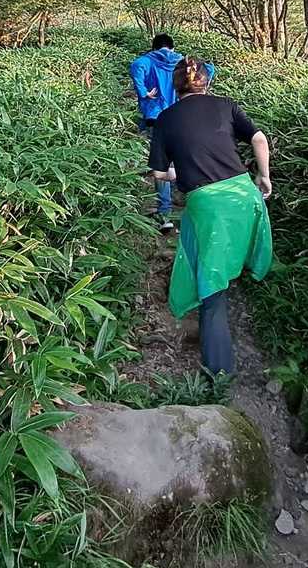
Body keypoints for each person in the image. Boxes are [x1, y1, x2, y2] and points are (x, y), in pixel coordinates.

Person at [148, 56, 272, 377]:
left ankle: (219, 372)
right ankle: (245, 281)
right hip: (245, 196)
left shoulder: (165, 119)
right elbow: (259, 138)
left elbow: (159, 173)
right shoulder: (225, 105)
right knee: (235, 252)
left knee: (211, 286)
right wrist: (264, 176)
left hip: (208, 205)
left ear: (174, 87)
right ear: (208, 82)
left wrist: (181, 173)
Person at [129, 34, 214, 234]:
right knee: (185, 158)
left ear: (154, 47)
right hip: (183, 114)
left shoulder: (146, 60)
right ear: (172, 47)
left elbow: (136, 67)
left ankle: (165, 215)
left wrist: (143, 92)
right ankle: (191, 206)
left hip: (156, 117)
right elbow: (209, 69)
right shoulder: (182, 62)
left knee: (163, 165)